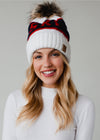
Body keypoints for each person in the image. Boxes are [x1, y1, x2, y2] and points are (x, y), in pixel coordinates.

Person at [2, 1, 95, 140]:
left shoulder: (84, 106)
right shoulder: (15, 100)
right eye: (38, 56)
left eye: (54, 54)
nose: (46, 64)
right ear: (32, 61)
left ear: (64, 58)